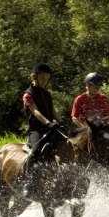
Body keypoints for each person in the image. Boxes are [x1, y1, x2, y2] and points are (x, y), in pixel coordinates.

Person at [22, 62, 68, 199]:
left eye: (47, 78)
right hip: (36, 129)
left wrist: (61, 122)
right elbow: (35, 111)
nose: (45, 81)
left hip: (51, 127)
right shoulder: (28, 95)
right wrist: (48, 122)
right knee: (35, 152)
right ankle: (29, 183)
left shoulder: (47, 93)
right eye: (42, 78)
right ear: (34, 77)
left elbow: (53, 110)